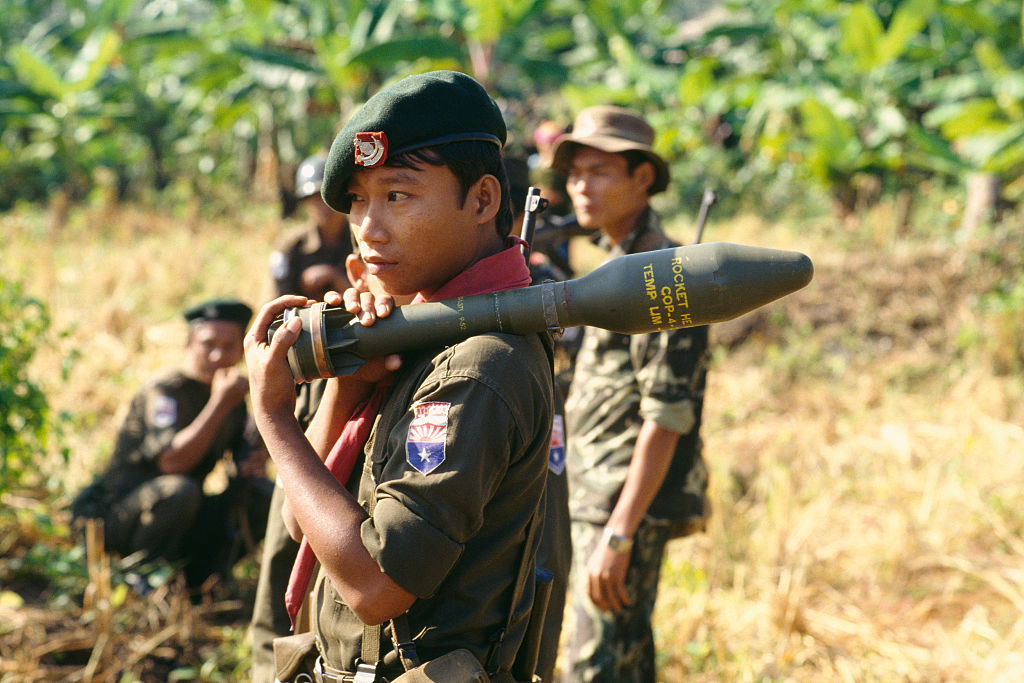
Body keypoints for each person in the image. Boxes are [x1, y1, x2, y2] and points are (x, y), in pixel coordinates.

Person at [244, 70, 556, 682]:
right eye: (359, 199)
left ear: (484, 200)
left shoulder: (477, 365)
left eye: (398, 195)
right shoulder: (413, 330)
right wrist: (345, 390)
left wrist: (275, 418)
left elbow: (375, 587)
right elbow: (302, 521)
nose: (369, 227)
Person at [551, 105, 711, 682]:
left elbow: (666, 416)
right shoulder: (618, 268)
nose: (579, 186)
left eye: (597, 171)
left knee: (593, 666)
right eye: (573, 173)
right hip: (595, 494)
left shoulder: (661, 277)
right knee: (626, 662)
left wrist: (618, 534)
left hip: (622, 505)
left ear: (642, 179)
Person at [84, 298, 274, 589]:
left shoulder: (232, 397)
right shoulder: (166, 391)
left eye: (228, 347)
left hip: (185, 513)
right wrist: (219, 404)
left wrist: (255, 453)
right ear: (189, 346)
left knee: (264, 495)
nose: (217, 356)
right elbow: (172, 462)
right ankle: (142, 578)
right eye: (208, 344)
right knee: (179, 490)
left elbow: (243, 463)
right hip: (126, 514)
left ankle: (205, 577)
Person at [266, 153, 353, 302]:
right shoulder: (290, 246)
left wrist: (334, 277)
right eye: (317, 197)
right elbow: (275, 303)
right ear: (306, 201)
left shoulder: (363, 241)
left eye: (331, 197)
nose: (325, 205)